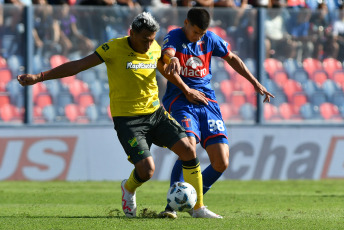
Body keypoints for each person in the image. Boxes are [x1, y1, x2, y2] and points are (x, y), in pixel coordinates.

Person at [17, 12, 221, 219]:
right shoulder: (113, 48)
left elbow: (167, 71)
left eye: (152, 40)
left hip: (155, 113)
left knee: (188, 149)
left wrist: (186, 89)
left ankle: (198, 209)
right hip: (129, 120)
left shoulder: (155, 48)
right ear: (131, 33)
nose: (148, 45)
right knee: (147, 171)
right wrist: (39, 77)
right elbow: (77, 66)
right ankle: (129, 188)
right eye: (144, 40)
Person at [158, 8, 274, 219]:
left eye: (202, 33)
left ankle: (195, 203)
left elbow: (232, 58)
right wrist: (175, 66)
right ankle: (172, 207)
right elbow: (167, 56)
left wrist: (255, 83)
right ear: (186, 23)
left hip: (207, 101)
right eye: (195, 32)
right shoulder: (175, 35)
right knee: (188, 148)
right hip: (181, 100)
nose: (198, 37)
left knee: (221, 161)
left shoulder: (209, 38)